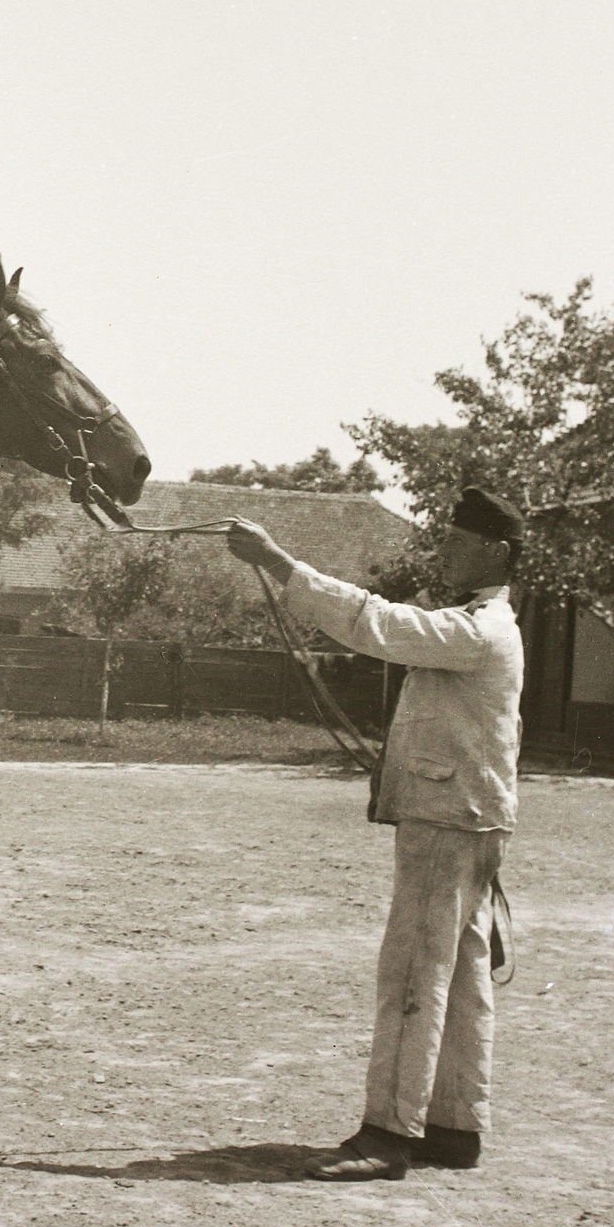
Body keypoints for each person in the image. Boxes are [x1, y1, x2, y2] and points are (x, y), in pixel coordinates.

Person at [226, 489, 525, 1181]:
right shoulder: (487, 627)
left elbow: (376, 624)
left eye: (457, 540)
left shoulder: (479, 630)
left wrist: (279, 564)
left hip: (448, 821)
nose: (444, 548)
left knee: (415, 971)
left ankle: (385, 1136)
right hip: (470, 816)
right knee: (462, 974)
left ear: (496, 553)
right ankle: (455, 1125)